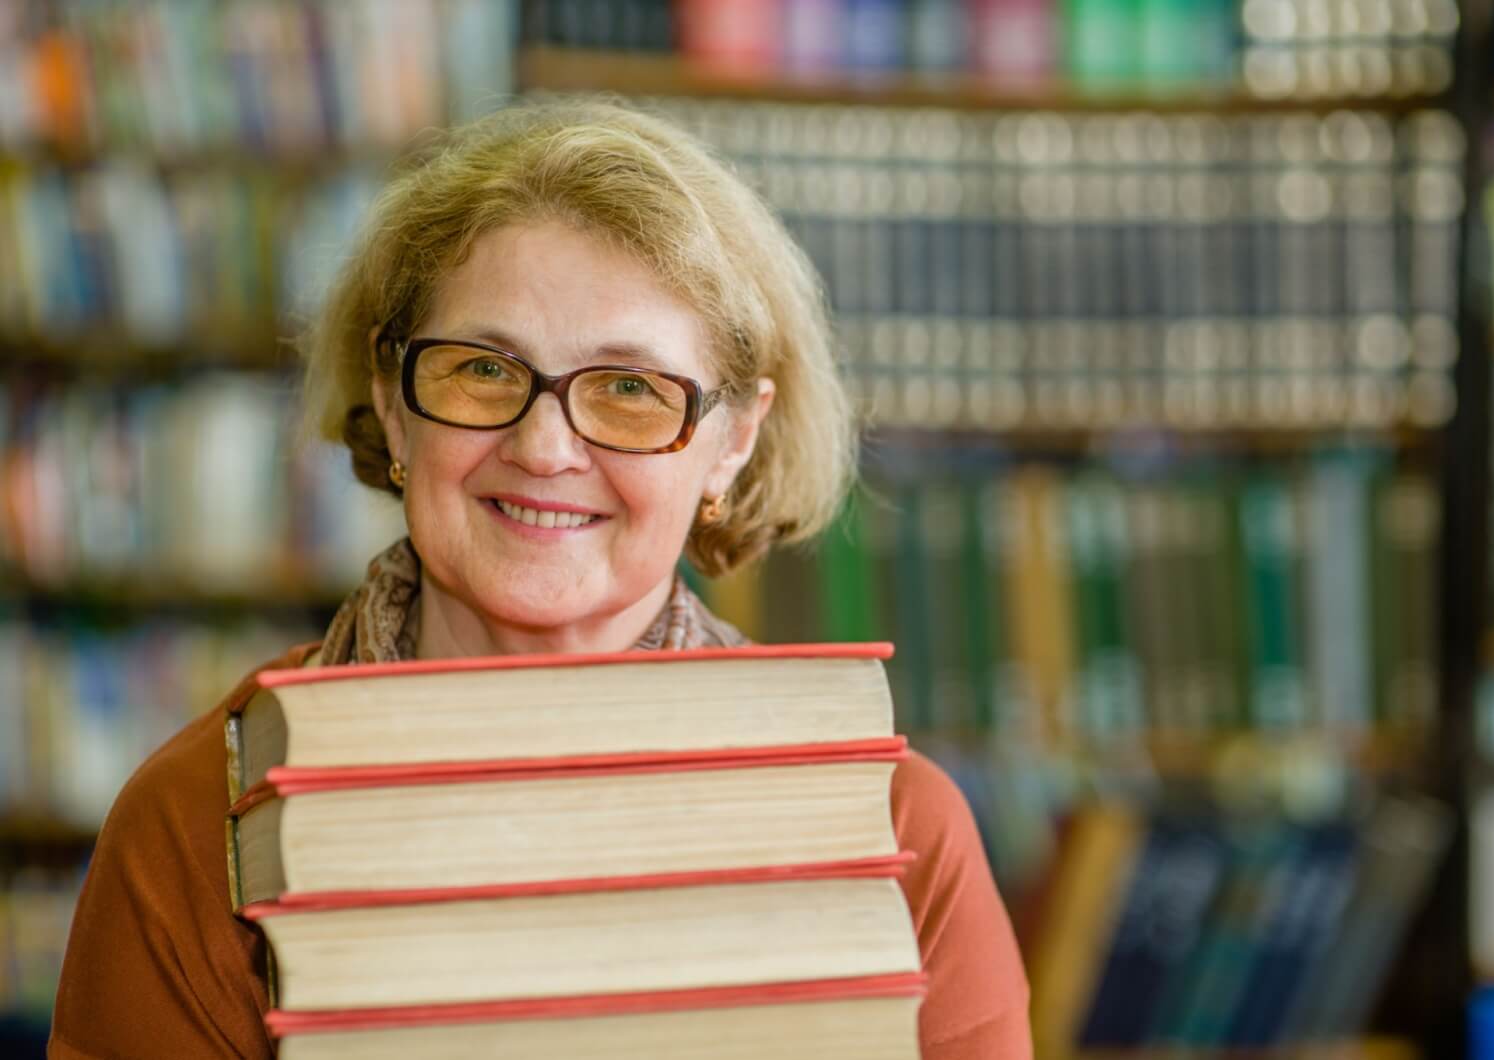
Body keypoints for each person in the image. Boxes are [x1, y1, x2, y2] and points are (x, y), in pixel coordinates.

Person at [49, 100, 1031, 1058]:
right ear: (395, 406)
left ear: (732, 442)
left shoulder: (897, 833)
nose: (544, 446)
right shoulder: (196, 823)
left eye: (630, 389)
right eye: (482, 369)